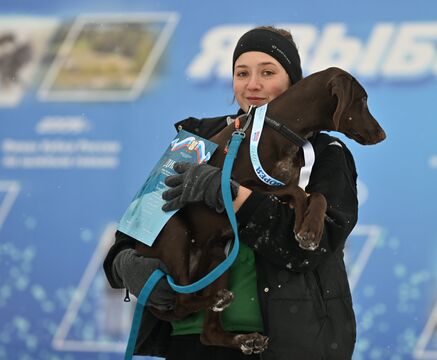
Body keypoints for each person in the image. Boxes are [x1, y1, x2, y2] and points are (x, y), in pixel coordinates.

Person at [103, 25, 359, 360]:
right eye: (242, 73)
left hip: (282, 344)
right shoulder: (198, 138)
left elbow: (313, 249)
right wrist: (127, 266)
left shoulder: (324, 151)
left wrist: (233, 196)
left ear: (292, 82)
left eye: (268, 72)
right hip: (192, 340)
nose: (253, 84)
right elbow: (137, 228)